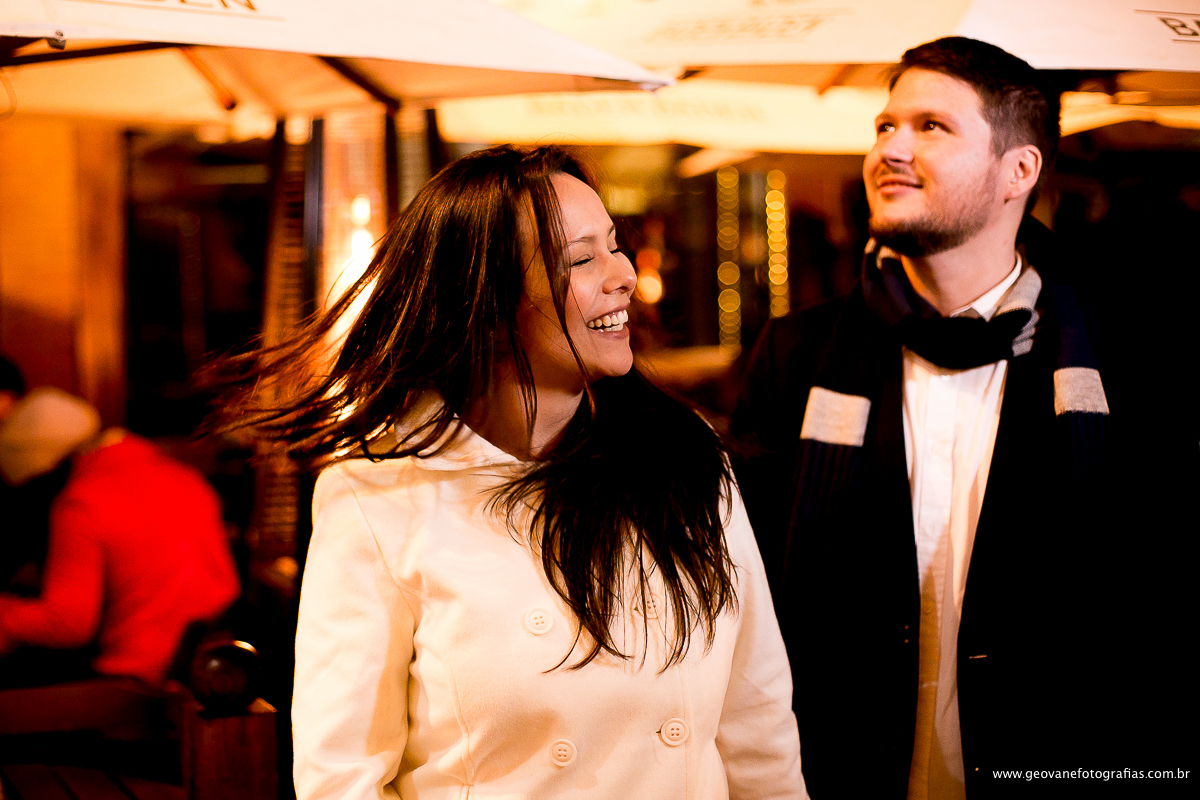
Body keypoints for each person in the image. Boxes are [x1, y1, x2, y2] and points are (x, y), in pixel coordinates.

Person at [217, 145, 804, 799]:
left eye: (615, 245)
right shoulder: (380, 496)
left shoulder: (686, 456)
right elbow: (342, 781)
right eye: (581, 259)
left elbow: (758, 730)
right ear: (486, 304)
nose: (624, 276)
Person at [732, 37, 1142, 798]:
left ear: (1019, 171)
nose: (890, 148)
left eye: (930, 127)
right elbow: (743, 590)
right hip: (838, 774)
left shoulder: (1124, 362)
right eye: (884, 126)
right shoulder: (797, 354)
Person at [0, 387, 240, 686]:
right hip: (207, 671)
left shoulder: (81, 502)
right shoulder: (182, 476)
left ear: (48, 468)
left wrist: (5, 614)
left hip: (137, 682)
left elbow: (69, 622)